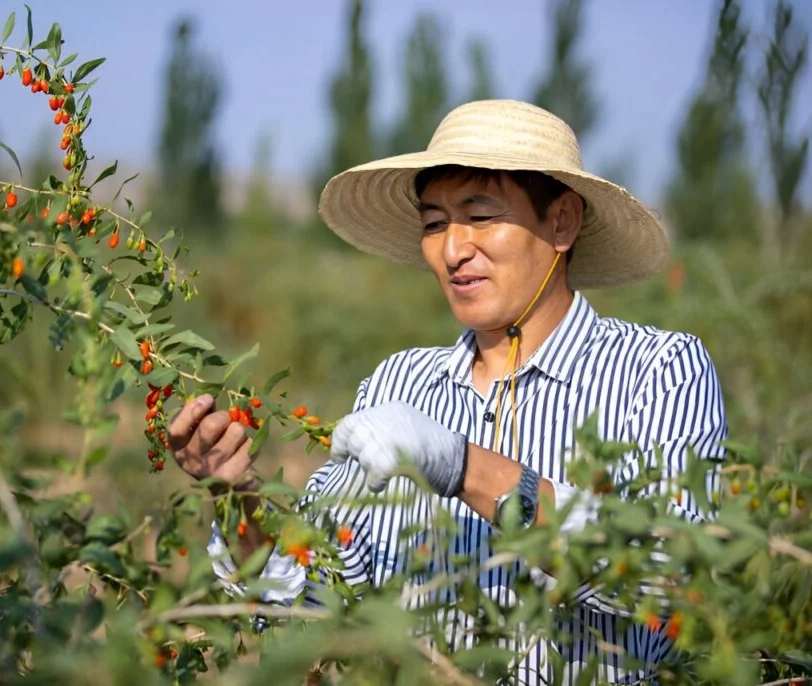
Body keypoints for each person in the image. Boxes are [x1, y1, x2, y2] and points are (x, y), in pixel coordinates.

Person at [167, 99, 726, 685]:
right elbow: (307, 593)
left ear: (562, 221)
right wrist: (240, 499)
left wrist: (465, 467)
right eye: (435, 223)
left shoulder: (657, 371)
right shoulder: (401, 384)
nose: (453, 249)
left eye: (480, 216)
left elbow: (676, 581)